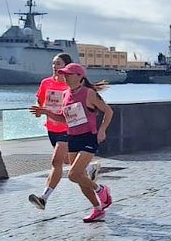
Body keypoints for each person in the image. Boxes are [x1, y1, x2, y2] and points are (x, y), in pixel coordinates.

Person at [30, 62, 114, 222]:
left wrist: (102, 129)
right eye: (64, 74)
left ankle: (101, 189)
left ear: (79, 76)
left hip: (88, 137)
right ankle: (98, 208)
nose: (65, 77)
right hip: (73, 137)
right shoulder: (66, 94)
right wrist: (46, 112)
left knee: (74, 174)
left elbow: (108, 111)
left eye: (69, 74)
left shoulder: (88, 93)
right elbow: (64, 118)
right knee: (81, 178)